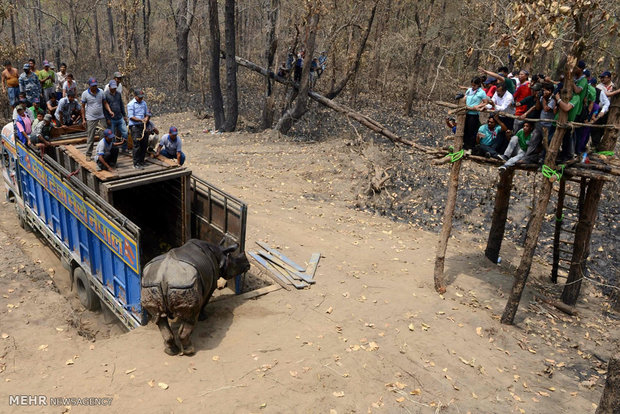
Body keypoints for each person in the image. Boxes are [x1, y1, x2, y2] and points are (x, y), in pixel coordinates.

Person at [81, 77, 111, 158]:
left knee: (103, 135)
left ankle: (102, 153)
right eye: (93, 86)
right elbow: (83, 107)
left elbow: (105, 103)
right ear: (89, 86)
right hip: (91, 118)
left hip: (101, 117)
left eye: (95, 86)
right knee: (91, 136)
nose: (94, 87)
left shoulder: (101, 92)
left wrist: (109, 111)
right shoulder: (85, 94)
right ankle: (88, 154)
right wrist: (83, 119)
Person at [463, 76, 489, 150]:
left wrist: (478, 106)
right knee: (465, 130)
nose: (473, 87)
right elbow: (465, 98)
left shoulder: (481, 92)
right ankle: (464, 145)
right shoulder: (469, 90)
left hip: (473, 114)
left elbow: (485, 102)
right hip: (466, 112)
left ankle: (470, 147)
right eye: (472, 85)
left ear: (478, 84)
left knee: (471, 131)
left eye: (475, 85)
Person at [127, 88, 150, 169]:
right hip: (135, 126)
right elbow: (131, 117)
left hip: (143, 126)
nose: (141, 99)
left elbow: (147, 113)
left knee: (144, 144)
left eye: (142, 97)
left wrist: (146, 118)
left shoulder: (144, 103)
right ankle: (136, 163)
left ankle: (141, 161)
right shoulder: (131, 104)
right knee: (137, 145)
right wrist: (141, 120)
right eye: (139, 97)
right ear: (135, 96)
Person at [104, 80, 128, 153]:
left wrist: (124, 115)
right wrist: (107, 118)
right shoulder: (106, 95)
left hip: (119, 117)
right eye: (113, 88)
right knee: (112, 135)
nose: (114, 89)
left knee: (125, 132)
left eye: (115, 88)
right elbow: (104, 108)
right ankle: (113, 150)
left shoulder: (118, 94)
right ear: (109, 87)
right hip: (111, 119)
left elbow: (121, 104)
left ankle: (124, 148)